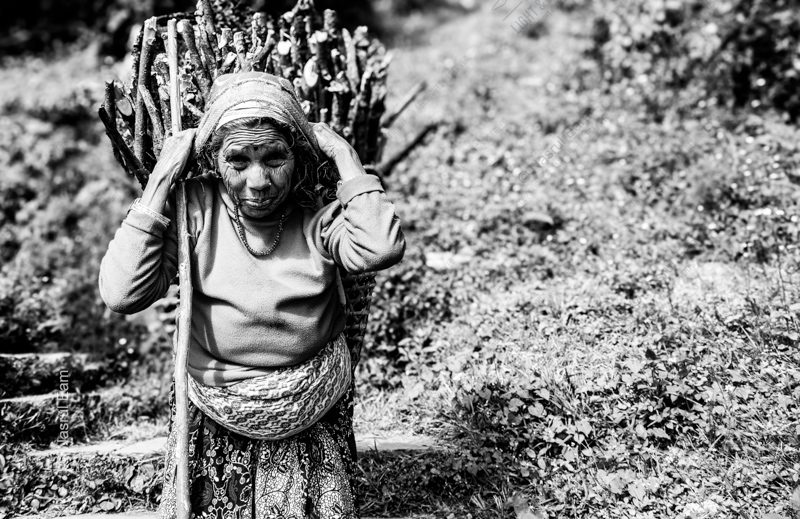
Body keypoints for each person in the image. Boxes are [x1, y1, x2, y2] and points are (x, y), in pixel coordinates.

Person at [98, 71, 406, 518]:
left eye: (274, 158)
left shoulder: (316, 212)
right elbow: (122, 294)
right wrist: (162, 178)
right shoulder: (192, 208)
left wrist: (344, 155)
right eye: (238, 161)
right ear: (215, 161)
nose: (258, 181)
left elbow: (382, 247)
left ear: (297, 157)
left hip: (309, 408)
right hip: (219, 406)